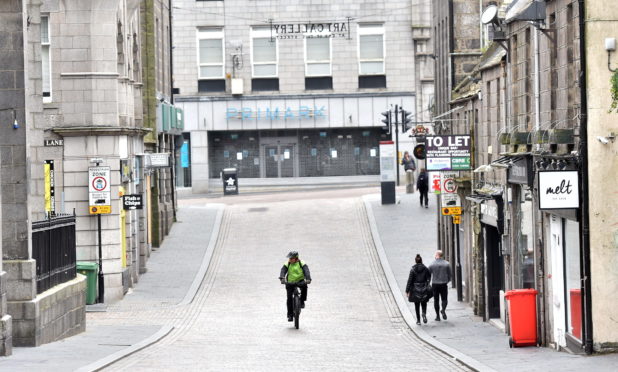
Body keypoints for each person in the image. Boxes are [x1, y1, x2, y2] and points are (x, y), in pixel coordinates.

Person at [279, 251, 312, 322]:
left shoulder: (301, 263)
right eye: (289, 258)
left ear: (296, 258)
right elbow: (283, 270)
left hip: (300, 280)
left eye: (291, 258)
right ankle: (290, 315)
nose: (290, 260)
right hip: (290, 282)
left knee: (304, 287)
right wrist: (282, 278)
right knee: (289, 298)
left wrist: (308, 278)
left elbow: (306, 271)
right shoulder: (287, 263)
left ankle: (302, 301)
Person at [405, 254, 432, 325]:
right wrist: (427, 283)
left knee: (416, 305)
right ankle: (424, 314)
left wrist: (407, 291)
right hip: (424, 288)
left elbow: (409, 281)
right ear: (421, 260)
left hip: (415, 290)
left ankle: (418, 320)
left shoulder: (413, 270)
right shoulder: (426, 269)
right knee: (424, 303)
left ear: (415, 261)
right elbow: (429, 277)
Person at [428, 250, 451, 321]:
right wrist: (447, 281)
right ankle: (443, 310)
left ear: (437, 255)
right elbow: (450, 274)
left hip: (435, 284)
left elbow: (428, 275)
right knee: (444, 299)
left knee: (436, 300)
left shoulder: (432, 264)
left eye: (435, 254)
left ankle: (437, 316)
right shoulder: (447, 264)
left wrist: (428, 282)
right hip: (443, 284)